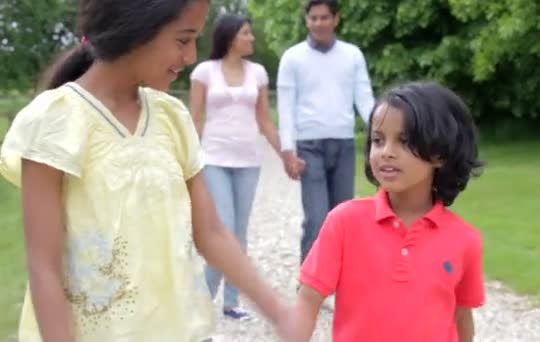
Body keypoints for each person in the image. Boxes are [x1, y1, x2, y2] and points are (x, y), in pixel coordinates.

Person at [0, 1, 292, 341]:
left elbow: (211, 233)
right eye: (183, 40)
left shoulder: (171, 118)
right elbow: (43, 267)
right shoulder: (54, 121)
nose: (192, 56)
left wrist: (280, 312)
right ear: (135, 30)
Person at [289, 81, 486, 341]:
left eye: (403, 141)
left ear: (439, 155)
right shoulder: (345, 222)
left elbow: (461, 316)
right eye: (378, 141)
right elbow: (308, 298)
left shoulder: (465, 240)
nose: (386, 153)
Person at [189, 14, 303, 320]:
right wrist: (184, 160)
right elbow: (195, 118)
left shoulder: (259, 74)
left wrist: (286, 156)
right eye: (247, 33)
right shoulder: (204, 71)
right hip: (213, 159)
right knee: (223, 229)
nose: (252, 38)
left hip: (248, 162)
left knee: (239, 233)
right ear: (230, 37)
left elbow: (265, 121)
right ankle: (198, 303)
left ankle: (231, 303)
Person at [276, 0, 375, 265]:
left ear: (335, 19)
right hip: (309, 146)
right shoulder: (292, 57)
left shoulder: (352, 55)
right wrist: (287, 151)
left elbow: (364, 98)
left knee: (343, 216)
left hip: (342, 143)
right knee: (317, 217)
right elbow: (285, 107)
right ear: (307, 21)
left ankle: (342, 279)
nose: (318, 23)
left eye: (324, 17)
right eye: (313, 18)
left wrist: (380, 130)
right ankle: (308, 283)